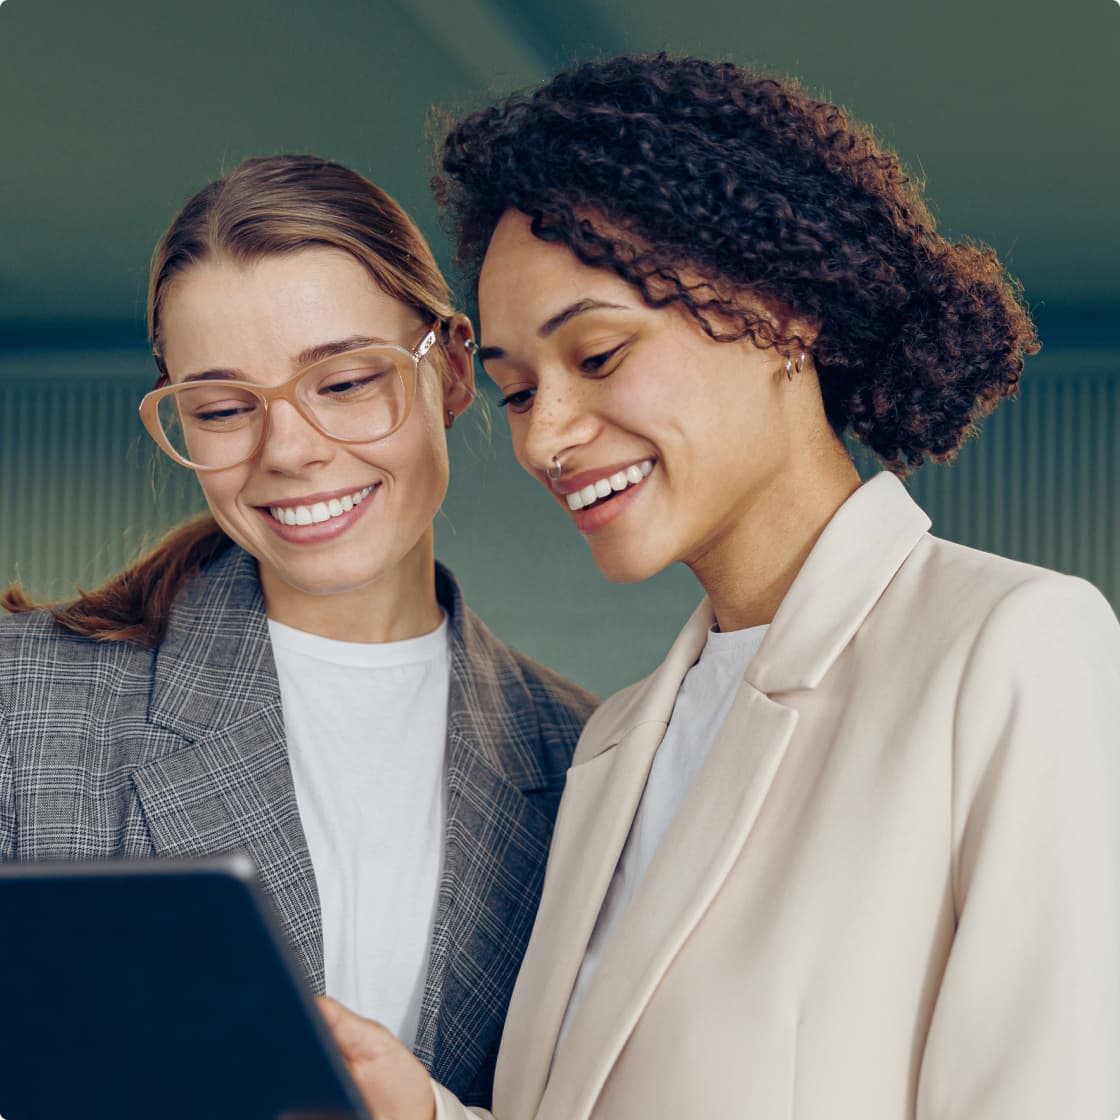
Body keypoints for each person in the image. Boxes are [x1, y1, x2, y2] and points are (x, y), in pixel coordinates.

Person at [319, 55, 1120, 1120]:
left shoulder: (1013, 651)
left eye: (596, 355)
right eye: (516, 390)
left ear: (783, 314)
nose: (546, 436)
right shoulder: (613, 746)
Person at [0, 154, 597, 1106]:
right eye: (225, 409)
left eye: (347, 382)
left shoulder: (587, 759)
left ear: (449, 369)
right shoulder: (22, 706)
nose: (291, 451)